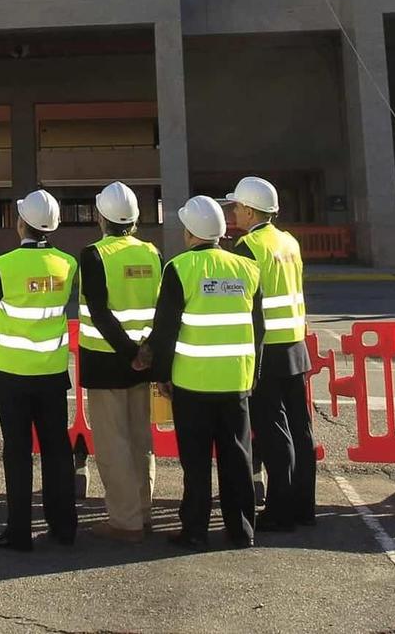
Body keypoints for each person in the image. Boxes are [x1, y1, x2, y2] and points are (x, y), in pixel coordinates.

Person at [142, 194, 260, 550]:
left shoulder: (179, 269)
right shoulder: (247, 268)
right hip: (236, 380)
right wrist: (254, 374)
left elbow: (165, 329)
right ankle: (241, 530)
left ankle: (195, 529)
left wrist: (160, 375)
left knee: (195, 462)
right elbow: (260, 327)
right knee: (238, 458)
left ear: (191, 232)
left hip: (192, 383)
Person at [0, 188, 78, 551]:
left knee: (18, 453)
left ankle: (18, 531)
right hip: (52, 372)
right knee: (57, 450)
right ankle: (64, 526)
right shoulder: (68, 263)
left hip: (12, 374)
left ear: (22, 223)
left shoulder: (5, 264)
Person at [227, 176, 314, 531]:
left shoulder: (249, 247)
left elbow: (248, 307)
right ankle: (304, 506)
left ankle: (280, 511)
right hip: (295, 345)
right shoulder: (289, 242)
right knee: (301, 430)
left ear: (249, 210)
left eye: (236, 207)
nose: (233, 212)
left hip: (268, 352)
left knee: (274, 433)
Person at [77, 180, 160, 540]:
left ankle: (125, 522)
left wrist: (128, 353)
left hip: (107, 361)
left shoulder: (94, 254)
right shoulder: (152, 253)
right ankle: (143, 511)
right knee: (141, 440)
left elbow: (99, 311)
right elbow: (163, 308)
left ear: (101, 217)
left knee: (114, 444)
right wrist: (145, 354)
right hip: (143, 360)